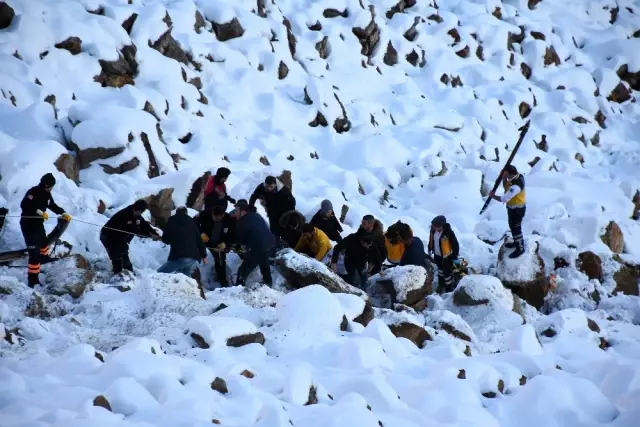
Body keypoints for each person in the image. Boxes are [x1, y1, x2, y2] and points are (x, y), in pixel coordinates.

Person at [19, 173, 72, 287]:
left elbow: (52, 205)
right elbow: (24, 205)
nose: (52, 188)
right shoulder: (33, 192)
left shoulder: (47, 194)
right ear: (47, 185)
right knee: (34, 254)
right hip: (28, 225)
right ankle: (32, 280)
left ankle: (44, 258)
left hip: (38, 225)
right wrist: (39, 212)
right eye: (51, 186)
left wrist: (62, 212)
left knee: (44, 243)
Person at [100, 199, 161, 275]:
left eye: (140, 211)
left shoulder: (137, 215)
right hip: (108, 236)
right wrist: (149, 235)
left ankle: (129, 273)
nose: (138, 213)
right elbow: (134, 230)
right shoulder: (125, 215)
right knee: (117, 255)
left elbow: (144, 225)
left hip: (120, 237)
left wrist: (153, 233)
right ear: (135, 208)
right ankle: (118, 275)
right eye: (137, 211)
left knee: (124, 253)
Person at [234, 201, 276, 286]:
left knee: (243, 270)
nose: (235, 213)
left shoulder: (241, 222)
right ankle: (268, 282)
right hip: (271, 244)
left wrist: (241, 248)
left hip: (258, 247)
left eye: (236, 211)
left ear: (243, 212)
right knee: (263, 261)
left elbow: (242, 241)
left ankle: (238, 288)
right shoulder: (256, 215)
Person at [489, 165, 526, 258]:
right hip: (512, 208)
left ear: (510, 173)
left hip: (517, 209)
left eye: (505, 173)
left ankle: (520, 248)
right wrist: (504, 178)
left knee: (516, 228)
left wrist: (493, 196)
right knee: (512, 226)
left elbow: (504, 198)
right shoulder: (515, 177)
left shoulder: (517, 185)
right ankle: (516, 242)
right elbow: (506, 187)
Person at [158, 207, 208, 276]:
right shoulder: (192, 223)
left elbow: (166, 240)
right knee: (185, 278)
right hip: (193, 258)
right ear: (186, 213)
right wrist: (204, 255)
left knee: (159, 273)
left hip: (179, 257)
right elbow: (199, 240)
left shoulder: (171, 221)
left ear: (176, 213)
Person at [194, 205, 236, 286]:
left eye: (217, 218)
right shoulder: (205, 214)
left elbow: (233, 235)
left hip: (220, 244)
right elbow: (193, 222)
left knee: (220, 261)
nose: (215, 219)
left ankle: (223, 282)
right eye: (213, 217)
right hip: (206, 242)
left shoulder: (228, 219)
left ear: (222, 215)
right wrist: (201, 233)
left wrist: (225, 243)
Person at [427, 215, 460, 292]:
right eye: (433, 226)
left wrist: (454, 256)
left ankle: (449, 287)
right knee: (440, 271)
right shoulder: (433, 230)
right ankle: (441, 285)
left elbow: (455, 244)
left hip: (447, 257)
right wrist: (429, 248)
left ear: (441, 226)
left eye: (435, 226)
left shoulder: (448, 233)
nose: (433, 227)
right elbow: (431, 240)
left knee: (447, 273)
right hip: (437, 255)